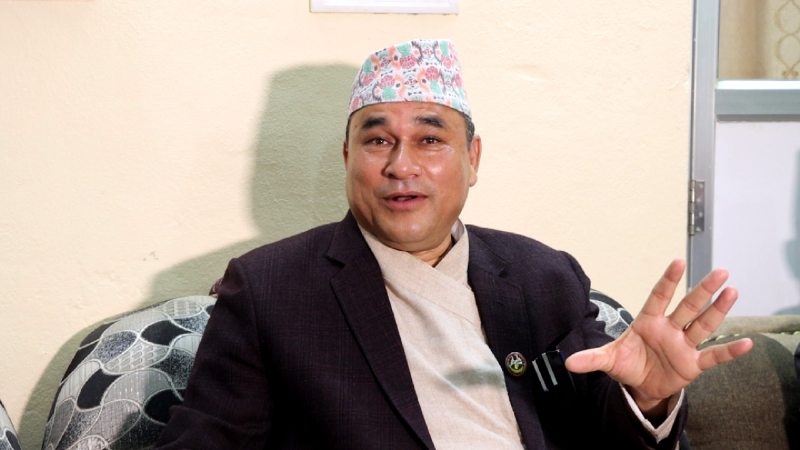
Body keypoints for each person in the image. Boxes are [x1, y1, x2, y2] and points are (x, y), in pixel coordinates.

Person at [154, 39, 752, 449]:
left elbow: (602, 433)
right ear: (347, 157)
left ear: (473, 159)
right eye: (378, 141)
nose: (402, 165)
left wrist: (645, 399)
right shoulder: (272, 288)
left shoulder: (543, 275)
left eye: (430, 140)